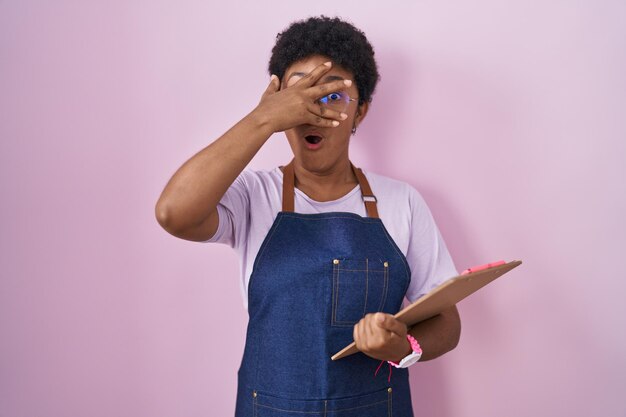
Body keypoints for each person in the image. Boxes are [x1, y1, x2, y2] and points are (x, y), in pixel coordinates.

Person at [156, 15, 461, 417]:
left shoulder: (401, 202)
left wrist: (403, 346)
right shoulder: (252, 197)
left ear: (361, 112)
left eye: (334, 96)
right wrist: (263, 118)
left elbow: (447, 322)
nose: (313, 110)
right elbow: (174, 213)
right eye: (301, 91)